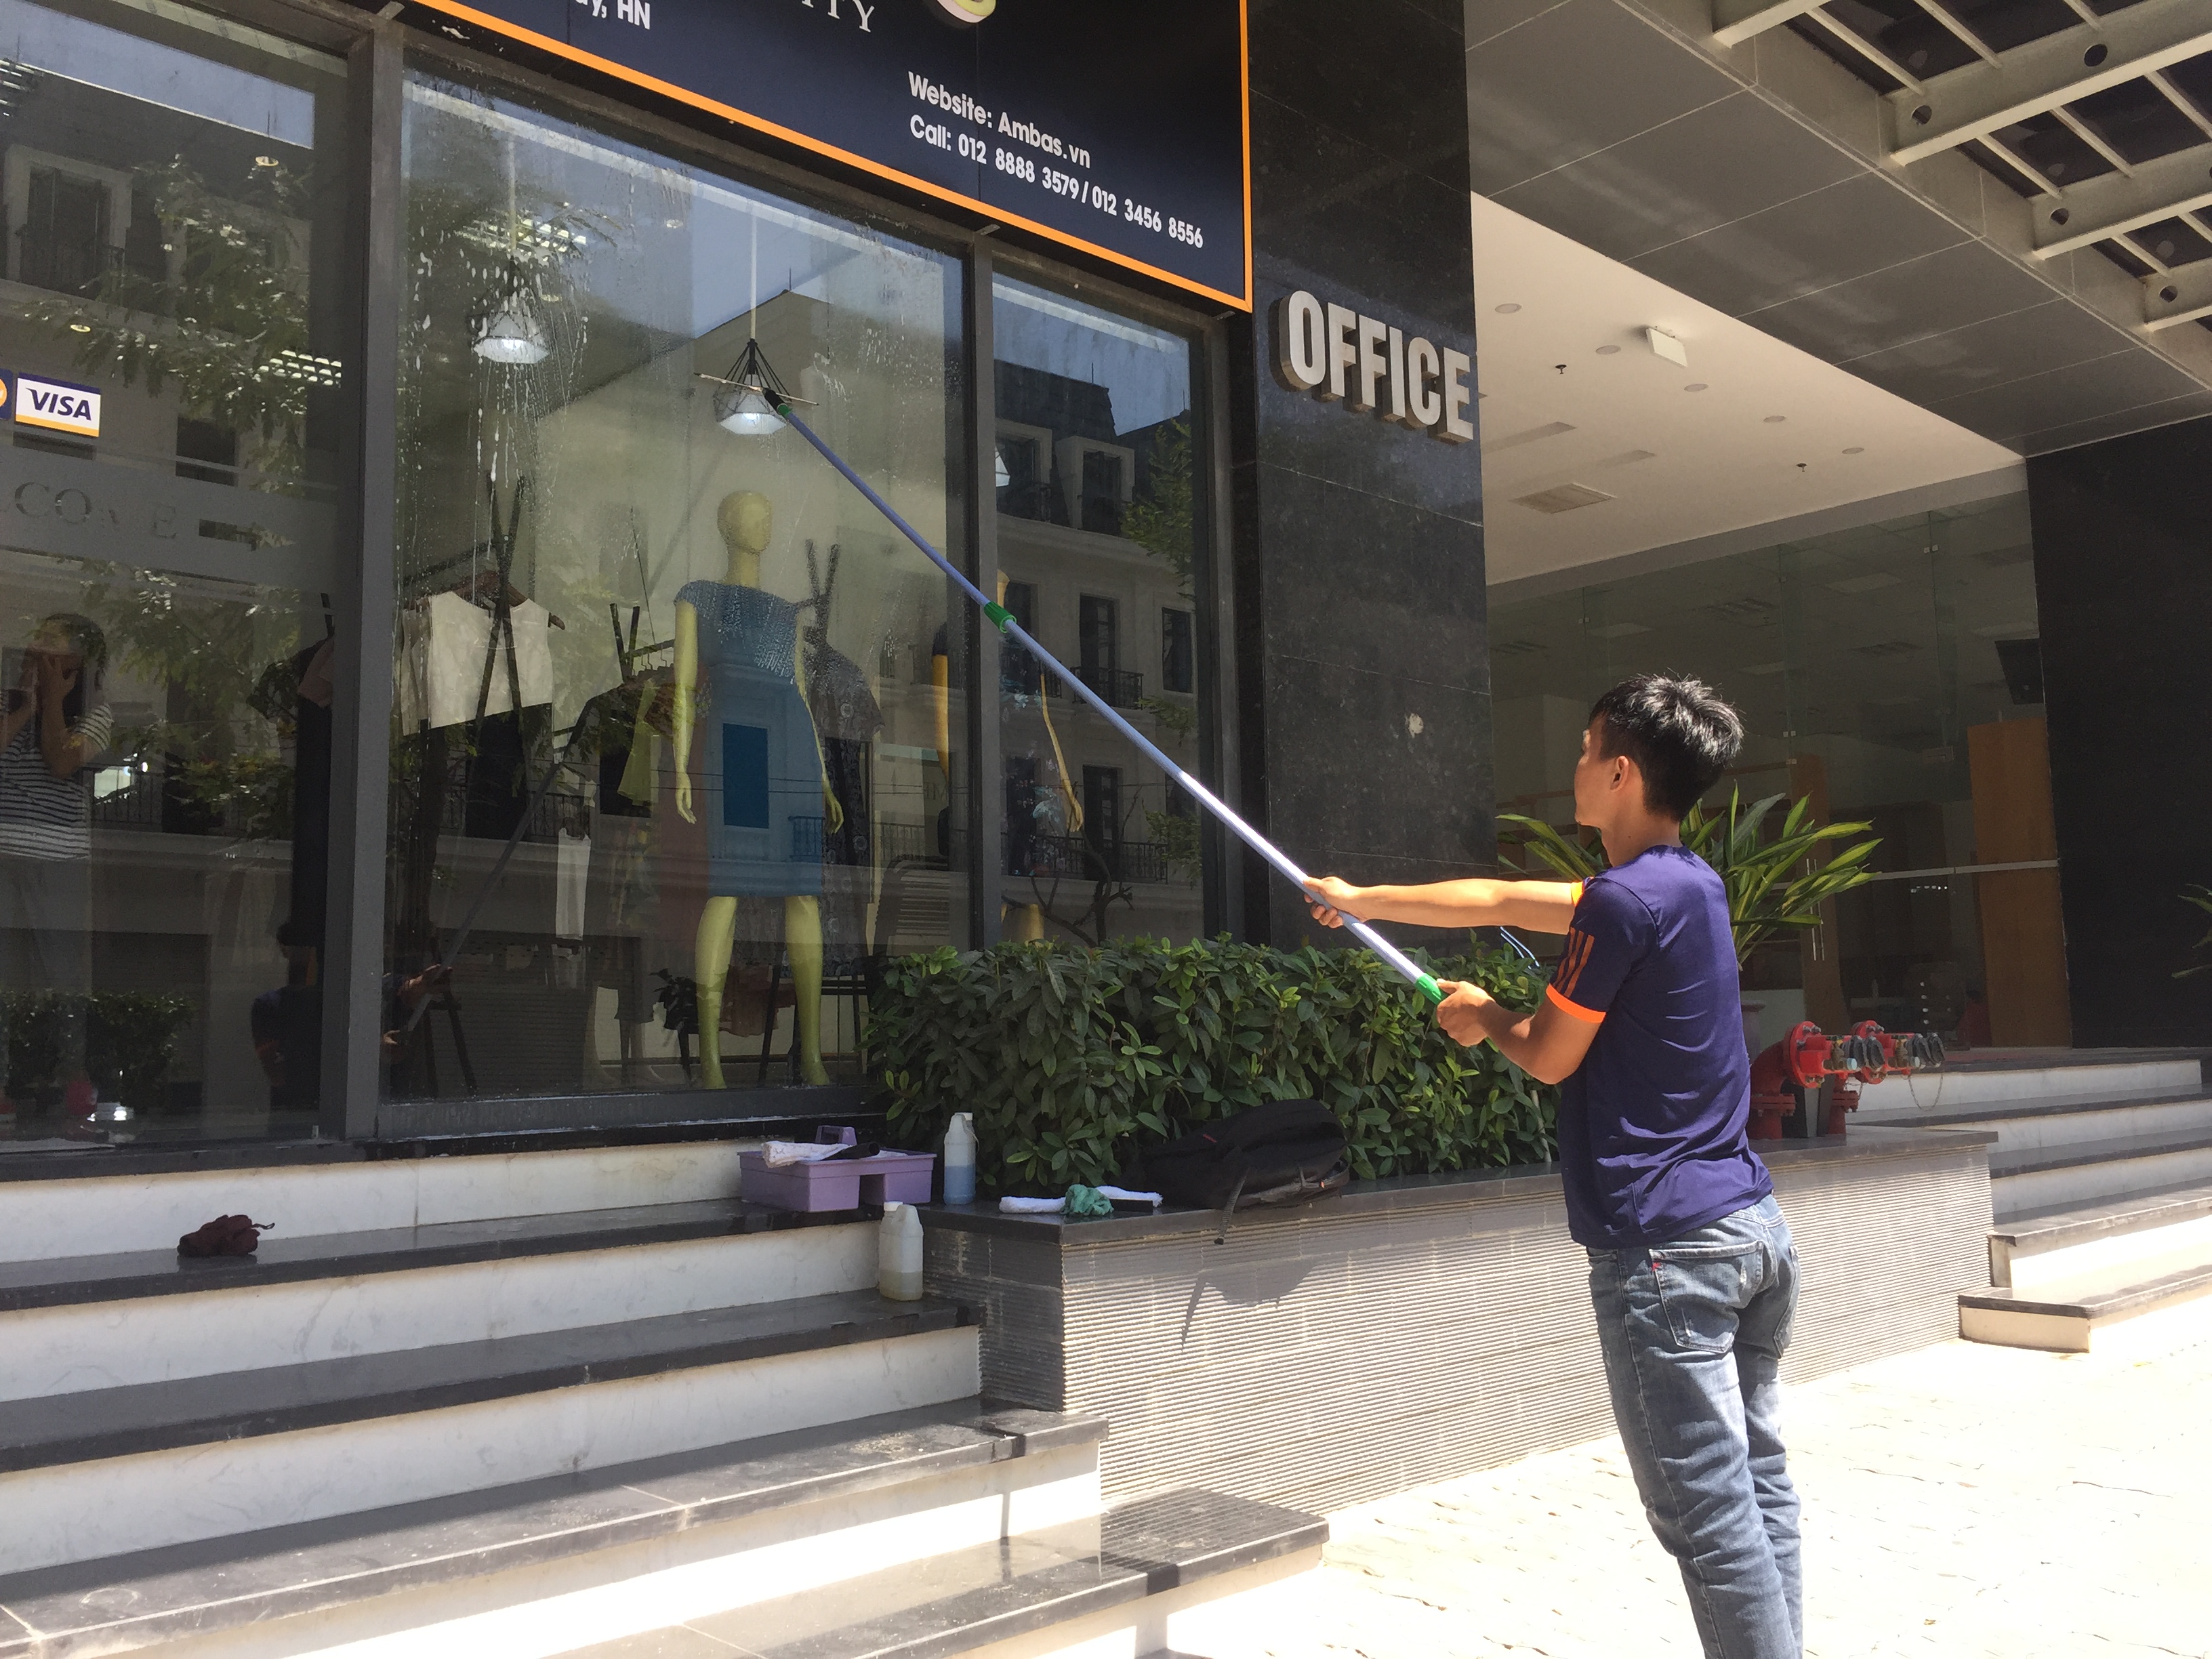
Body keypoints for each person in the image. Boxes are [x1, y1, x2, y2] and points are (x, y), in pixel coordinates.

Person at [1307, 673, 1801, 1659]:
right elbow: (1495, 898)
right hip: (1752, 1233)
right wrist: (1359, 901)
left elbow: (1548, 1055)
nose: (1573, 765)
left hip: (1667, 1255)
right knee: (1755, 1489)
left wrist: (1484, 1016)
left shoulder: (1619, 903)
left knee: (1708, 1520)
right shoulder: (1688, 885)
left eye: (1584, 749)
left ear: (1621, 773)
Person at [0, 613, 114, 1107]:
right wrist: (27, 704)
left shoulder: (97, 715)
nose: (38, 649)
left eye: (53, 643)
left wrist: (53, 703)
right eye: (38, 640)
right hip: (4, 851)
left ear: (78, 661)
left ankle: (74, 1082)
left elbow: (62, 760)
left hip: (58, 859)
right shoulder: (8, 702)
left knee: (63, 975)